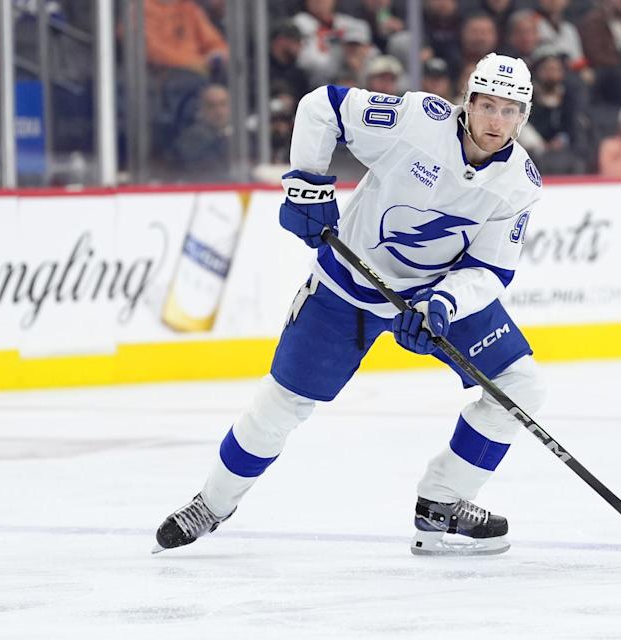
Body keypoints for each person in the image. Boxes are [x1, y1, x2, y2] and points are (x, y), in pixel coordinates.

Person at [153, 53, 545, 557]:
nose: (496, 120)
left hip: (432, 295)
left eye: (509, 110)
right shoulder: (417, 121)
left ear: (523, 116)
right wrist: (307, 184)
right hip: (346, 289)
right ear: (466, 103)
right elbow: (324, 106)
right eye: (487, 105)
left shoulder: (520, 184)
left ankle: (443, 501)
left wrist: (443, 302)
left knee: (521, 385)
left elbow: (489, 270)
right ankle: (211, 504)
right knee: (282, 404)